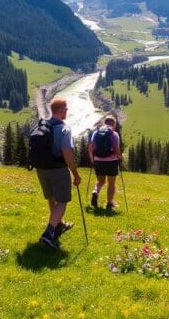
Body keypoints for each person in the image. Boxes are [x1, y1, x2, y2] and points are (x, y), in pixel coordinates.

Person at [36, 98, 80, 249]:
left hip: (41, 169)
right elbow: (67, 152)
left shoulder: (42, 125)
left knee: (51, 197)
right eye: (66, 109)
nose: (67, 111)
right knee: (62, 200)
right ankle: (48, 233)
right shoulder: (63, 128)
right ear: (61, 110)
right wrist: (75, 173)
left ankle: (58, 224)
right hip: (58, 169)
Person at [88, 116, 122, 212]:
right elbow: (116, 148)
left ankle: (95, 191)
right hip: (111, 161)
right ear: (113, 124)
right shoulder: (114, 134)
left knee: (101, 181)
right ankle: (109, 202)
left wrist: (92, 159)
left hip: (98, 160)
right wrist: (119, 157)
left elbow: (91, 147)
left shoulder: (96, 133)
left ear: (105, 123)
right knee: (111, 183)